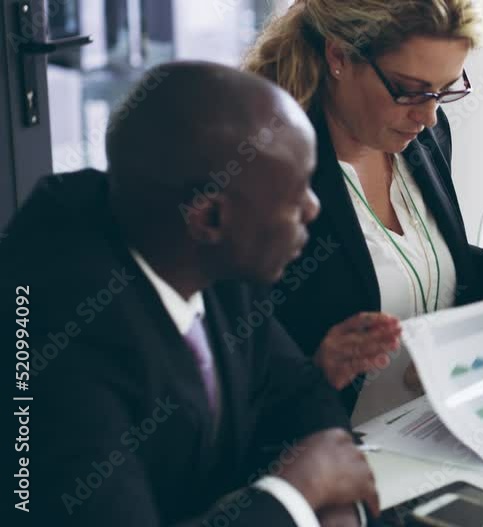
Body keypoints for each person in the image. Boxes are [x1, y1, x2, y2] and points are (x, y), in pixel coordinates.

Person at [3, 62, 381, 526]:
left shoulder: (202, 253)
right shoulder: (52, 341)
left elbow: (297, 393)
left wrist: (335, 502)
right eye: (295, 194)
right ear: (209, 220)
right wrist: (297, 494)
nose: (313, 208)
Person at [243, 0, 483, 424]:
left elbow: (428, 265)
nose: (429, 115)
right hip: (335, 448)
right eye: (410, 89)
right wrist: (316, 370)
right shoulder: (267, 172)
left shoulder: (422, 140)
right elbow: (229, 358)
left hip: (444, 428)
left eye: (444, 90)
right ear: (340, 56)